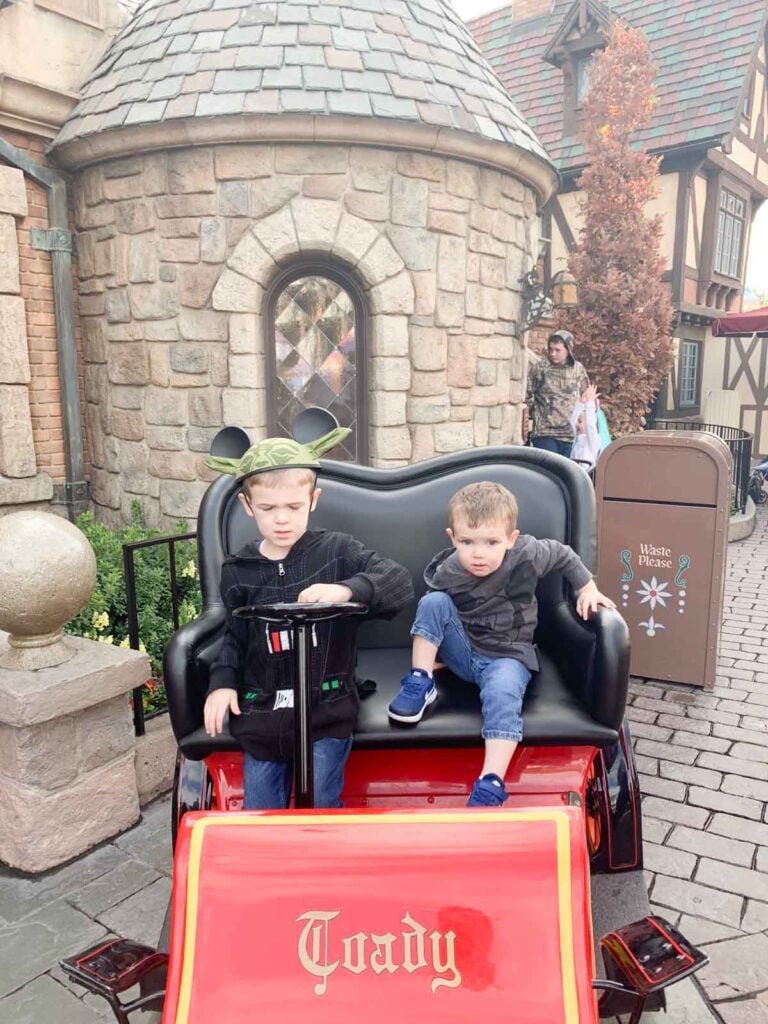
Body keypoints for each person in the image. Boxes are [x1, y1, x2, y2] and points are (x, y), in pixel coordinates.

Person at [203, 428, 414, 810]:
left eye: (293, 507)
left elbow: (398, 581)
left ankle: (324, 863)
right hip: (262, 713)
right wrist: (222, 683)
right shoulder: (239, 570)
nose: (281, 519)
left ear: (312, 500)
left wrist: (349, 589)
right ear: (247, 506)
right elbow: (234, 637)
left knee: (319, 805)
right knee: (259, 812)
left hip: (326, 708)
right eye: (268, 509)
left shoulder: (337, 551)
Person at [387, 481, 614, 807]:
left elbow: (564, 556)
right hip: (465, 654)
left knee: (503, 695)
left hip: (508, 657)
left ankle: (490, 781)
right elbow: (434, 619)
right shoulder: (448, 570)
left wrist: (587, 588)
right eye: (467, 542)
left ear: (511, 539)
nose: (478, 553)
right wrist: (438, 654)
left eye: (491, 542)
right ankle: (421, 681)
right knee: (433, 602)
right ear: (452, 538)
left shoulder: (528, 554)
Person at [526, 329, 590, 456]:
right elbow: (526, 394)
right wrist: (537, 413)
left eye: (558, 350)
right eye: (551, 349)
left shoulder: (578, 369)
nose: (553, 354)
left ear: (568, 350)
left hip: (569, 434)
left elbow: (586, 396)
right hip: (545, 433)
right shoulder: (540, 368)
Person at [569, 384, 603, 471]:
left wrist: (590, 403)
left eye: (580, 421)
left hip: (588, 477)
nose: (577, 424)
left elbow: (590, 425)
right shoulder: (578, 438)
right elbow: (572, 422)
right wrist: (580, 403)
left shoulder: (593, 440)